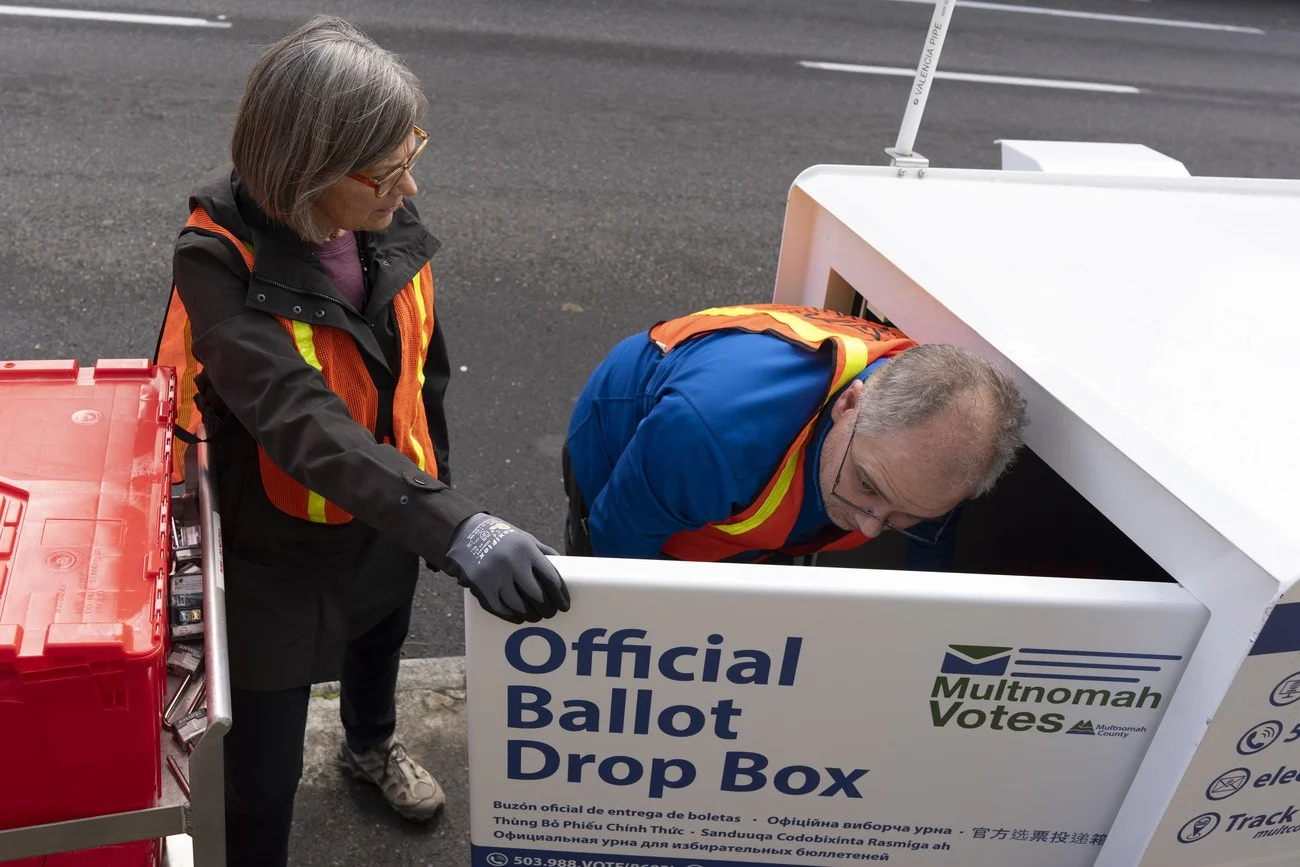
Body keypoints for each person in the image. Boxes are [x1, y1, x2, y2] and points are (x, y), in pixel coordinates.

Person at [154, 17, 569, 866]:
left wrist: (433, 492)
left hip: (388, 515)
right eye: (386, 170)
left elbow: (423, 375)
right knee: (261, 776)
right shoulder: (215, 259)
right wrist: (457, 526)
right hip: (275, 546)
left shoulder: (383, 223)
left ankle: (369, 744)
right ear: (310, 172)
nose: (409, 188)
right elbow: (298, 416)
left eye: (412, 152)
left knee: (378, 646)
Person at [563, 303, 1028, 564]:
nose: (869, 526)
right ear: (849, 404)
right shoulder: (710, 433)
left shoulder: (931, 451)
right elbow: (616, 564)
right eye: (867, 485)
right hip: (622, 434)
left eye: (905, 516)